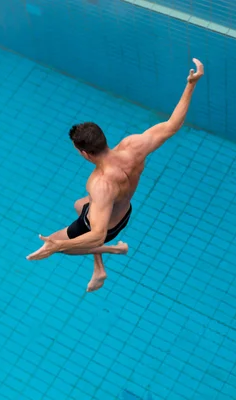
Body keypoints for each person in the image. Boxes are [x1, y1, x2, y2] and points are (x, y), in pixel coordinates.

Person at [27, 58, 204, 292]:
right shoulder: (133, 146)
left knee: (62, 245)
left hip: (106, 227)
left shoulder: (100, 184)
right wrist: (191, 84)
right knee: (80, 204)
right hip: (124, 210)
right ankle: (101, 266)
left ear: (84, 153)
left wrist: (57, 245)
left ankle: (112, 252)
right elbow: (172, 125)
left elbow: (97, 235)